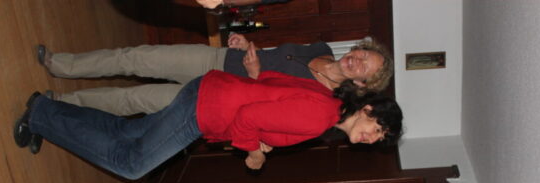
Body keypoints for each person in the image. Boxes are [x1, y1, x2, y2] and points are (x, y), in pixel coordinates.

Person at [14, 69, 403, 172]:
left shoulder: (326, 98)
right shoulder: (321, 117)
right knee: (131, 163)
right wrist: (254, 154)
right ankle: (41, 117)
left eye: (378, 140)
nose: (372, 139)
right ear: (368, 110)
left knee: (128, 131)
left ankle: (46, 112)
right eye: (378, 130)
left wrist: (263, 137)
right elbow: (249, 116)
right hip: (207, 111)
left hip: (210, 92)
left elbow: (268, 82)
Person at [36, 34, 393, 116]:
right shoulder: (321, 48)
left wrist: (255, 75)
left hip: (216, 96)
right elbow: (270, 53)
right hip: (217, 59)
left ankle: (63, 102)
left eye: (365, 67)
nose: (358, 60)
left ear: (362, 84)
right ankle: (60, 64)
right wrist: (247, 44)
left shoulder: (322, 99)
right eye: (363, 54)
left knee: (135, 99)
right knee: (136, 58)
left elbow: (267, 109)